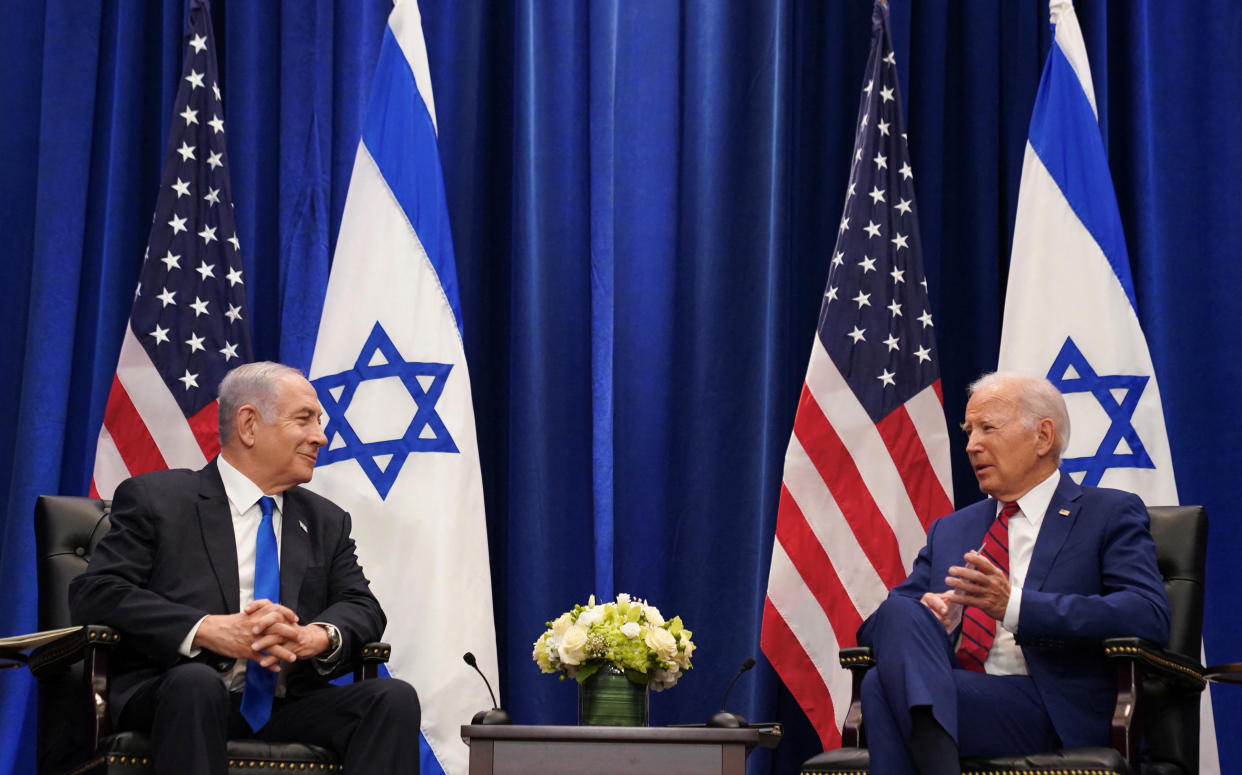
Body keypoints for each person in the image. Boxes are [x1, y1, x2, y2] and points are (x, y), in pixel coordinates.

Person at [70, 361, 420, 775]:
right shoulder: (158, 500)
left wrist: (314, 636)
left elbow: (362, 606)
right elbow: (97, 592)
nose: (321, 437)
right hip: (178, 692)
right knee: (196, 685)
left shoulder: (326, 520)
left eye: (320, 422)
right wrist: (207, 629)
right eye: (305, 419)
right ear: (249, 425)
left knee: (392, 698)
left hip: (286, 702)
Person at [857, 372, 1169, 775]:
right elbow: (873, 632)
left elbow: (1147, 614)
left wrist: (1015, 606)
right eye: (969, 431)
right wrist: (931, 622)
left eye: (988, 428)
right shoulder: (951, 530)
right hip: (958, 689)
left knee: (881, 688)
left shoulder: (1108, 514)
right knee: (901, 614)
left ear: (1043, 437)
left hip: (1047, 705)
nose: (971, 446)